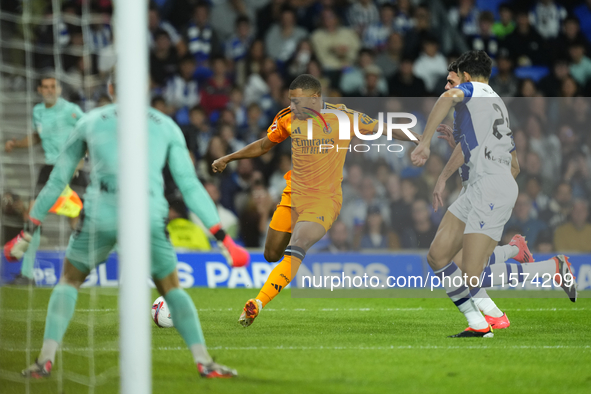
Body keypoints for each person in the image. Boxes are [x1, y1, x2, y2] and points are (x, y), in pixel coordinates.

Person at [10, 76, 249, 379]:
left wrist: (28, 230)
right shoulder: (166, 126)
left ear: (110, 90)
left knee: (69, 280)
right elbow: (189, 185)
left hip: (101, 214)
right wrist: (223, 238)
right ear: (147, 88)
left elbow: (57, 181)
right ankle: (204, 362)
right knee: (172, 288)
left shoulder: (89, 121)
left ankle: (44, 360)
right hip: (148, 214)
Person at [212, 74, 418, 327]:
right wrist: (228, 158)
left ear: (316, 98)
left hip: (324, 200)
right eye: (291, 101)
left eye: (298, 101)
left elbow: (384, 128)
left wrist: (421, 139)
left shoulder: (344, 117)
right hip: (293, 195)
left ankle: (258, 302)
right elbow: (264, 145)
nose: (294, 106)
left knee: (297, 245)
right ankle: (285, 263)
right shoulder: (287, 118)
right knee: (270, 254)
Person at [411, 50, 576, 338]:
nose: (449, 87)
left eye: (453, 80)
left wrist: (424, 143)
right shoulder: (496, 104)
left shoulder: (474, 90)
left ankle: (552, 267)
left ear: (465, 76)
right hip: (481, 186)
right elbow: (515, 164)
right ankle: (479, 323)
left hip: (489, 187)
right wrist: (483, 174)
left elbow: (445, 100)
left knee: (470, 273)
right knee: (438, 257)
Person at [4, 76, 87, 285]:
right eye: (45, 87)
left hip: (70, 167)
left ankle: (80, 270)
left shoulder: (71, 110)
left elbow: (89, 131)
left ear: (59, 89)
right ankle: (27, 274)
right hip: (49, 169)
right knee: (32, 217)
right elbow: (37, 137)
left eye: (53, 86)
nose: (49, 90)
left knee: (75, 222)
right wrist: (17, 143)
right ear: (40, 90)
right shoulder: (38, 112)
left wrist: (82, 158)